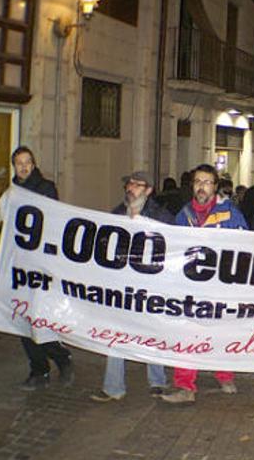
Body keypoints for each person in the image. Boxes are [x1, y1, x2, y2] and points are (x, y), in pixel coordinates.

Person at [162, 164, 248, 404]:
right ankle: (185, 387)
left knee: (221, 332)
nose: (201, 186)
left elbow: (247, 247)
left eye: (207, 182)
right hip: (191, 287)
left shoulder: (230, 213)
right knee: (187, 332)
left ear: (215, 186)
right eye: (197, 182)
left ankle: (224, 375)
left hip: (221, 288)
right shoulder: (184, 214)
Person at [91, 171, 173, 402]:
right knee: (116, 332)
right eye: (129, 183)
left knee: (151, 332)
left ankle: (157, 381)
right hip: (122, 285)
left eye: (138, 185)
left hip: (150, 285)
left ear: (148, 191)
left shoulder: (161, 216)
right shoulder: (117, 214)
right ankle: (113, 386)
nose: (131, 188)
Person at [9, 146, 75, 391]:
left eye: (27, 162)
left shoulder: (45, 188)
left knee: (39, 319)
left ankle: (61, 357)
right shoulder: (12, 193)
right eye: (19, 163)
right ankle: (39, 370)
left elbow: (51, 222)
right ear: (14, 167)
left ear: (34, 164)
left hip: (41, 266)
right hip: (20, 266)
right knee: (21, 319)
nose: (24, 167)